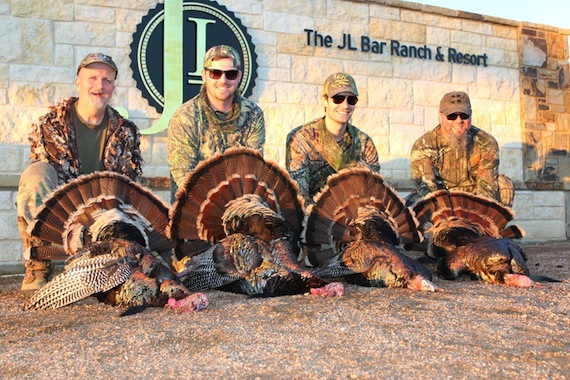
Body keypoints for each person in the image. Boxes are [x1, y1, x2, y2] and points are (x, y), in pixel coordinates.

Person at [16, 53, 143, 291]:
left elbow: (130, 185)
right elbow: (52, 184)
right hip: (62, 213)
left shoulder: (126, 131)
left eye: (107, 80)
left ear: (113, 87)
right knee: (36, 175)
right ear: (78, 82)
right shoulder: (51, 124)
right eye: (92, 78)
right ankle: (38, 262)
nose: (99, 85)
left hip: (105, 217)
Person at [167, 45, 265, 201]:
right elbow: (184, 176)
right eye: (215, 73)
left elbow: (252, 168)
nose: (223, 80)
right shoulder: (185, 117)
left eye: (230, 74)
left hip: (239, 206)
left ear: (239, 76)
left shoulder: (253, 114)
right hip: (194, 208)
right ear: (204, 75)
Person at [286, 72, 380, 205]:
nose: (345, 105)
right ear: (324, 100)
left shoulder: (365, 143)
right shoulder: (301, 138)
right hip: (312, 218)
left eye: (351, 99)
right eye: (338, 98)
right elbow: (300, 196)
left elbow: (372, 191)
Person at [407, 91, 514, 207]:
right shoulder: (423, 146)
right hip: (440, 200)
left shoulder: (486, 143)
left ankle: (491, 225)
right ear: (440, 116)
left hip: (473, 200)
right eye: (452, 116)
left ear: (471, 115)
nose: (459, 121)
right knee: (411, 205)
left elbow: (486, 190)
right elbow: (428, 191)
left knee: (504, 184)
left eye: (464, 115)